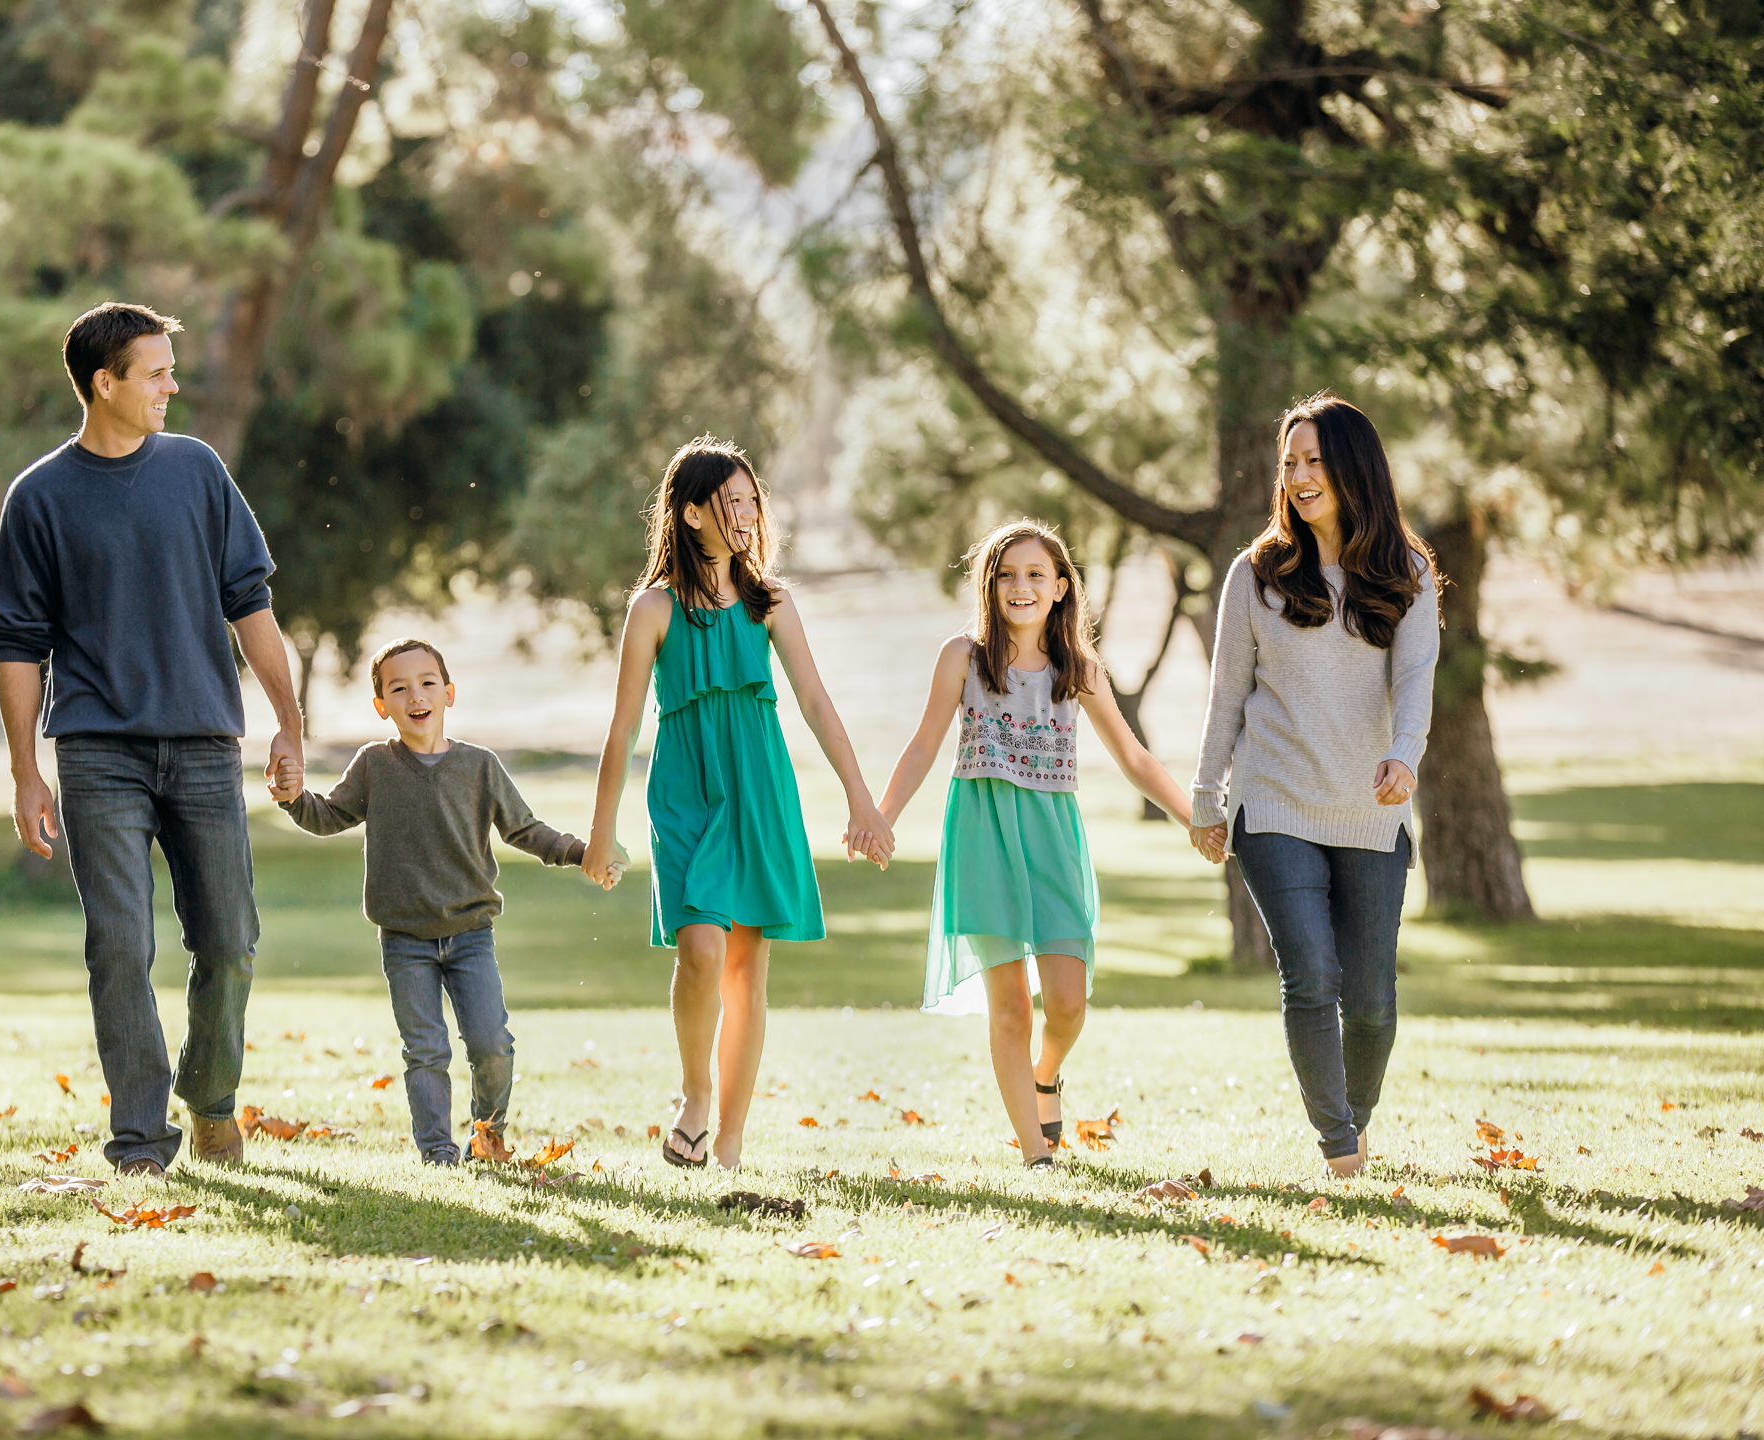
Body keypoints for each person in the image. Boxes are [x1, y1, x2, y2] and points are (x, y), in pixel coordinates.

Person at [0, 301, 305, 1178]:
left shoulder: (198, 471)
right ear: (105, 384)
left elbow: (252, 604)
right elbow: (19, 648)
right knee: (120, 944)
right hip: (98, 751)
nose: (172, 385)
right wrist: (25, 774)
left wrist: (289, 721)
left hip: (205, 743)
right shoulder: (39, 497)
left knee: (231, 939)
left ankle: (208, 1100)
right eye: (156, 372)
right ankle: (139, 1140)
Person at [581, 437, 892, 1172]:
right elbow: (622, 727)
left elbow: (815, 701)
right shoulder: (652, 610)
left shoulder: (770, 603)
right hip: (686, 788)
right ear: (692, 515)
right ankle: (695, 1096)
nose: (748, 514)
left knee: (746, 968)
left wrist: (862, 800)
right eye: (733, 502)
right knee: (700, 947)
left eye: (754, 500)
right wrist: (602, 833)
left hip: (759, 786)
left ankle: (728, 1142)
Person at [876, 520, 1195, 1167]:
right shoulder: (962, 658)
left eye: (1034, 575)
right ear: (988, 587)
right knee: (1012, 1007)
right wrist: (881, 815)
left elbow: (1134, 758)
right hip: (983, 837)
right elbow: (921, 746)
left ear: (1059, 588)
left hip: (1052, 840)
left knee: (1068, 1004)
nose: (1020, 587)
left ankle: (1046, 1073)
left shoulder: (1078, 668)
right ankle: (1034, 1154)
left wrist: (1194, 818)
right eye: (1006, 575)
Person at [1188, 393, 1440, 1179]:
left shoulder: (1408, 572)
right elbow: (1226, 694)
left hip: (1371, 807)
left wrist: (1405, 756)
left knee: (1369, 1000)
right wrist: (1205, 796)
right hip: (1273, 803)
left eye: (1313, 460)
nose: (1297, 476)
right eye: (1288, 462)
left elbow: (1416, 681)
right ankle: (1339, 1152)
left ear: (1353, 466)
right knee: (1312, 975)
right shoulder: (1256, 573)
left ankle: (1353, 1124)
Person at [275, 639, 622, 1166]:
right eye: (399, 687)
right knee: (426, 1051)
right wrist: (293, 799)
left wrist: (581, 852)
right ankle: (437, 1151)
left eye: (427, 683)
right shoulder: (374, 765)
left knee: (492, 1045)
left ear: (449, 693)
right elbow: (329, 817)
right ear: (381, 707)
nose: (415, 694)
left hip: (471, 936)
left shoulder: (479, 767)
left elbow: (524, 830)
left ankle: (487, 1134)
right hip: (404, 941)